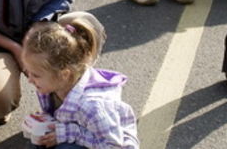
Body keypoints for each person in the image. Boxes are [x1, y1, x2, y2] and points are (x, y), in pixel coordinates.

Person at [22, 18, 139, 148]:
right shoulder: (52, 85)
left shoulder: (92, 107)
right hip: (85, 131)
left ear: (64, 74)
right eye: (28, 72)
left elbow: (113, 146)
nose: (29, 80)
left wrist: (70, 133)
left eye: (36, 75)